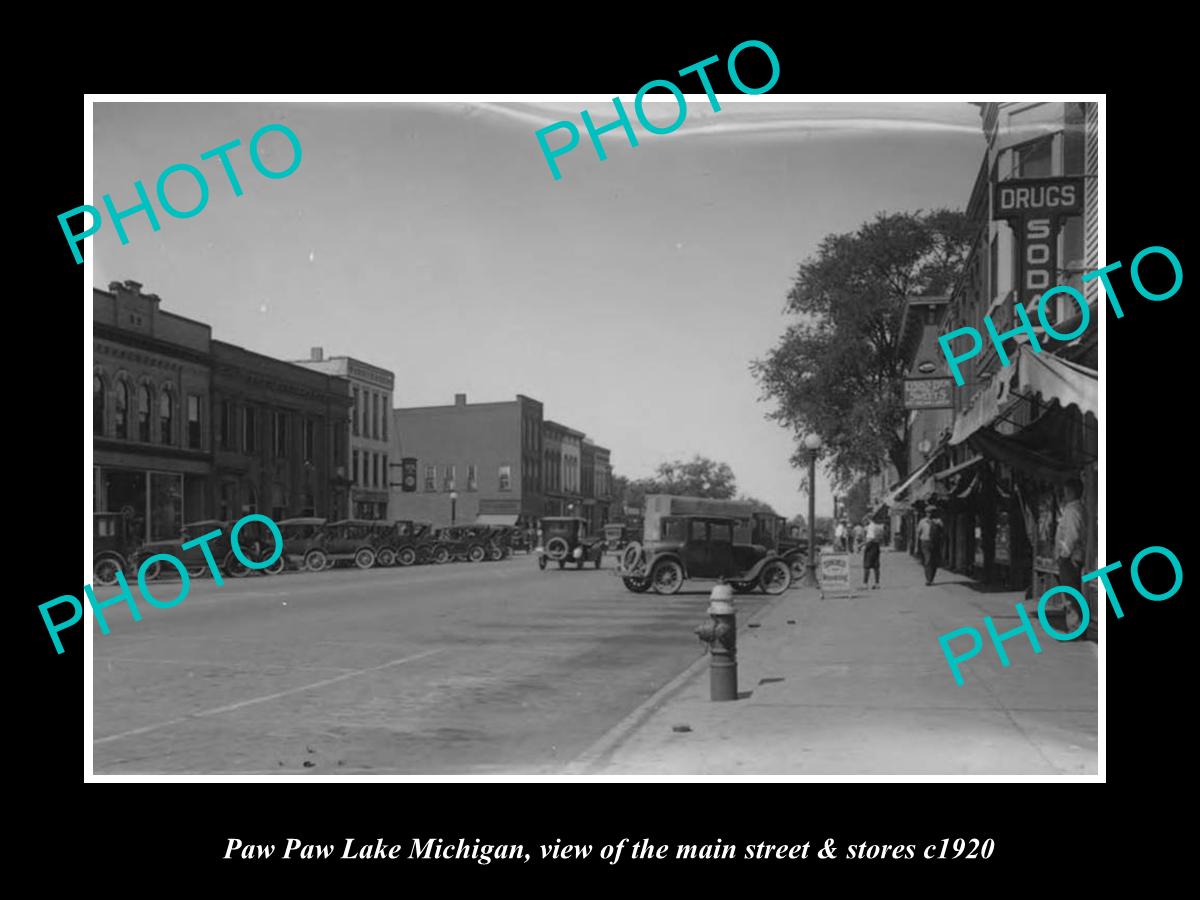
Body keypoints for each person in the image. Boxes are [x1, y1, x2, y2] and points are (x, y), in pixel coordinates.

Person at [1055, 477, 1088, 638]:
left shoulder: (1073, 510)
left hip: (1070, 558)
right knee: (1072, 592)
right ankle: (1077, 626)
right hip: (1073, 556)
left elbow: (1072, 535)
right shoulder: (1075, 508)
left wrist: (1063, 555)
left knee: (1070, 593)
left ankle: (1075, 628)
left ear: (1072, 492)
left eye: (1066, 491)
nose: (1064, 493)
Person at [917, 506, 944, 586]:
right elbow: (918, 532)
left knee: (934, 561)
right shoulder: (922, 521)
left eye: (931, 512)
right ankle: (928, 579)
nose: (930, 514)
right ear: (926, 513)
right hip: (925, 542)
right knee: (928, 559)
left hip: (935, 543)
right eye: (928, 512)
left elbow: (943, 531)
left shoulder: (938, 521)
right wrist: (918, 544)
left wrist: (939, 524)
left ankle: (931, 578)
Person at [862, 516, 883, 589]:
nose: (864, 524)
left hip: (870, 547)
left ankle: (865, 584)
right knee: (876, 566)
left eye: (864, 522)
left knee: (866, 566)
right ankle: (877, 583)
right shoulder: (878, 526)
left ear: (868, 520)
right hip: (877, 546)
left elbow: (870, 539)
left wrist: (861, 545)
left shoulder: (871, 527)